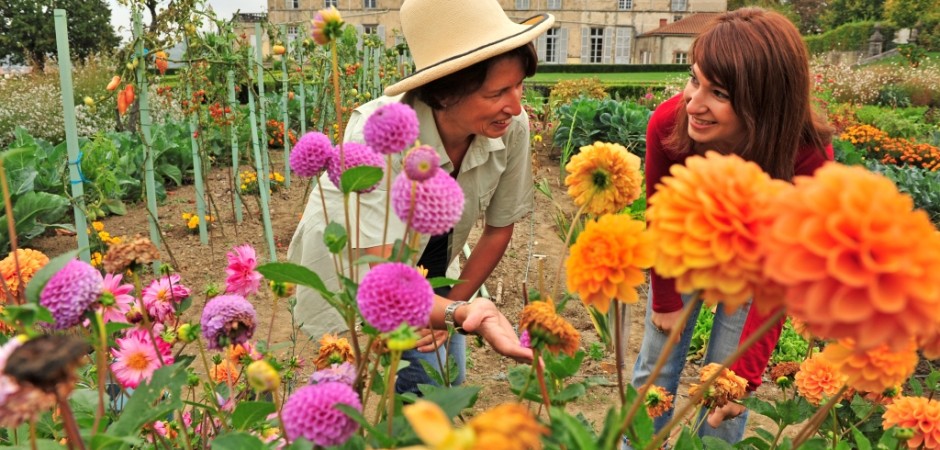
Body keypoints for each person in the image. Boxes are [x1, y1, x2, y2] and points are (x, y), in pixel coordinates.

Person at [287, 0, 554, 394]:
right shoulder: (380, 136)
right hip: (353, 280)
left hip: (432, 275)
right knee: (366, 394)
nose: (515, 106)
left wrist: (452, 313)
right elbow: (377, 279)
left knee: (444, 380)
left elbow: (499, 228)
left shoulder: (510, 125)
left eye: (519, 86)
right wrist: (459, 313)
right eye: (498, 92)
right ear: (446, 92)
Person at [629, 7, 834, 445]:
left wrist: (745, 372)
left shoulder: (809, 157)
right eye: (693, 79)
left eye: (718, 92)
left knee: (728, 383)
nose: (693, 103)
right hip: (683, 247)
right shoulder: (670, 124)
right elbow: (659, 216)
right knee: (657, 364)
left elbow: (783, 271)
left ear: (767, 100)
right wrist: (665, 298)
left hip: (757, 264)